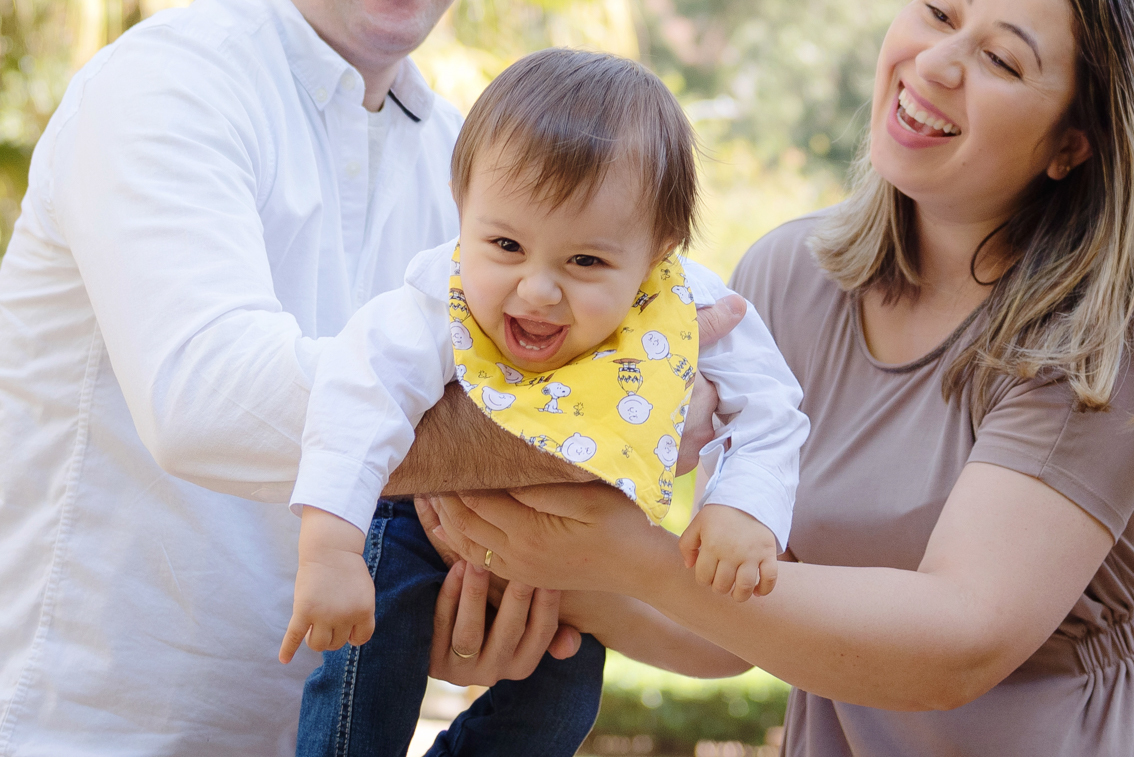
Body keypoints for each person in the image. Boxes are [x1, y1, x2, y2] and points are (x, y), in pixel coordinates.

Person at [423, 0, 1134, 754]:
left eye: (1002, 59)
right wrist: (523, 581)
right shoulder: (792, 278)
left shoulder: (1096, 340)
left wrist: (628, 556)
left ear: (1072, 143)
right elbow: (740, 621)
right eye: (936, 11)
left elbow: (963, 638)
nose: (935, 63)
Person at [278, 49, 808, 757]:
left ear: (658, 251)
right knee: (372, 661)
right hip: (417, 523)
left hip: (570, 560)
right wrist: (330, 549)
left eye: (585, 261)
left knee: (561, 700)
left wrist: (743, 508)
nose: (537, 289)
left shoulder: (687, 308)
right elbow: (359, 392)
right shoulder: (442, 295)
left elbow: (769, 405)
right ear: (462, 210)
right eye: (506, 244)